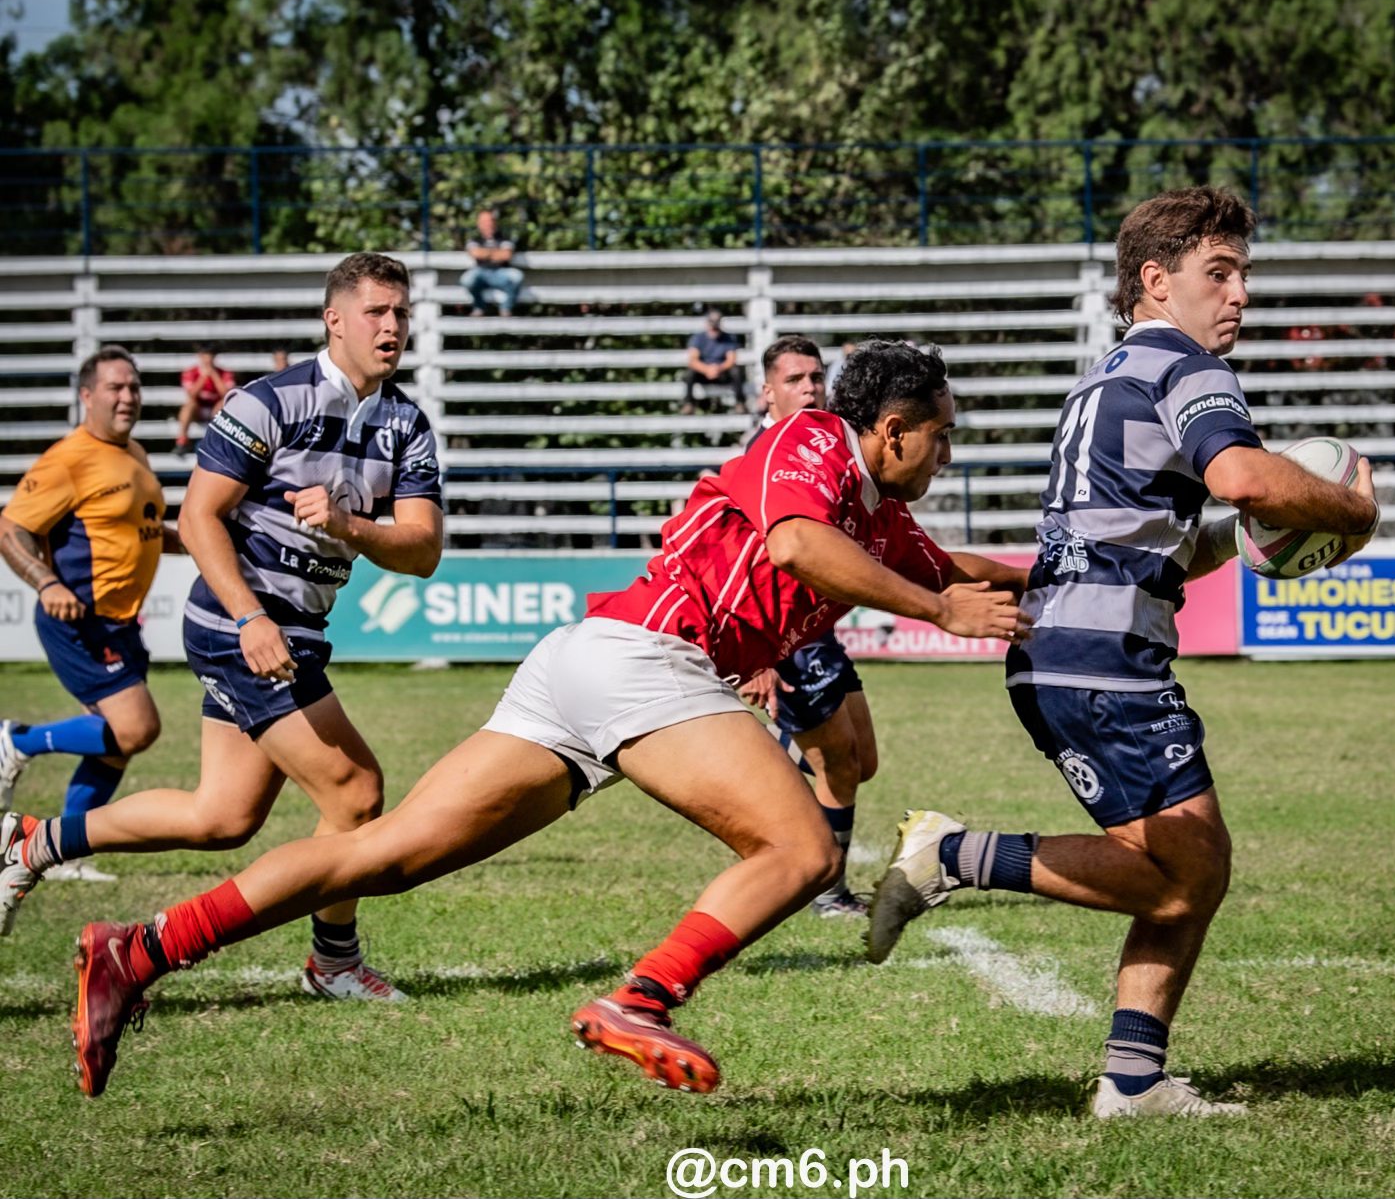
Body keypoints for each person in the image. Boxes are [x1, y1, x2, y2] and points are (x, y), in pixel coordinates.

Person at [57, 340, 1030, 1099]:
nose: (946, 455)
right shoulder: (811, 438)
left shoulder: (881, 515)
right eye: (940, 436)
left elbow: (962, 566)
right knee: (800, 848)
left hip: (592, 665)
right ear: (893, 428)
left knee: (385, 854)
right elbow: (794, 540)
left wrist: (1111, 568)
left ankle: (139, 947)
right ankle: (639, 999)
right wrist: (940, 610)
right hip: (647, 655)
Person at [863, 186, 1381, 1119]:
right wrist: (1350, 511)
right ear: (1155, 280)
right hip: (1102, 658)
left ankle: (1134, 1077)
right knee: (1189, 870)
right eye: (1217, 274)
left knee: (1182, 866)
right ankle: (955, 853)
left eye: (1243, 276)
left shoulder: (1109, 375)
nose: (1238, 296)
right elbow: (1239, 474)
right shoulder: (1185, 367)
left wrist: (1246, 536)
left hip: (1068, 646)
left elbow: (1168, 531)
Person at [0, 253, 445, 1007]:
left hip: (297, 625)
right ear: (333, 319)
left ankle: (34, 841)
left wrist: (347, 523)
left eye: (400, 313)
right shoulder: (266, 401)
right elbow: (198, 518)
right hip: (239, 623)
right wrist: (249, 617)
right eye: (375, 312)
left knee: (222, 816)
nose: (392, 327)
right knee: (357, 791)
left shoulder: (406, 423)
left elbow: (424, 549)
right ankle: (333, 961)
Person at [0, 347, 182, 885]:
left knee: (116, 748)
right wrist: (46, 581)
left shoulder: (135, 455)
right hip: (79, 618)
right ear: (87, 396)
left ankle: (62, 854)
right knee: (137, 727)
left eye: (134, 387)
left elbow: (142, 531)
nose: (127, 397)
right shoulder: (70, 457)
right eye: (115, 388)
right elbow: (11, 529)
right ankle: (17, 740)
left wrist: (196, 541)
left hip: (121, 623)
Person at [738, 335, 875, 918]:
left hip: (817, 631)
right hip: (783, 636)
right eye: (795, 380)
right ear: (767, 392)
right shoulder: (766, 454)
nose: (811, 388)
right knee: (839, 765)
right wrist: (759, 655)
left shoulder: (826, 445)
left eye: (816, 377)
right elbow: (751, 559)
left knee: (861, 760)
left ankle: (772, 776)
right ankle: (824, 889)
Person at [680, 307, 746, 414]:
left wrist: (718, 369)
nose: (714, 328)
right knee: (689, 373)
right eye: (712, 324)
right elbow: (692, 360)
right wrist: (707, 369)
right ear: (707, 323)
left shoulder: (729, 338)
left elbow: (731, 359)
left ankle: (740, 403)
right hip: (704, 373)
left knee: (736, 371)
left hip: (721, 372)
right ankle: (689, 403)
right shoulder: (698, 338)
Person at [174, 345, 236, 458]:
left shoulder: (224, 373)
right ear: (200, 356)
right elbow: (191, 395)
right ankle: (182, 441)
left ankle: (222, 443)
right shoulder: (190, 372)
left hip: (216, 410)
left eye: (210, 356)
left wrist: (214, 375)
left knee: (225, 403)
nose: (208, 359)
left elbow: (227, 395)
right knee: (189, 405)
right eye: (205, 355)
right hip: (198, 410)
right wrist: (203, 377)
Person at [461, 209, 524, 317]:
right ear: (479, 224)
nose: (488, 224)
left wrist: (485, 253)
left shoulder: (505, 238)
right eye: (484, 222)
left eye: (490, 221)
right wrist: (495, 253)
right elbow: (475, 253)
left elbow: (506, 255)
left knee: (517, 276)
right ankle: (479, 306)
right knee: (467, 279)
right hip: (481, 273)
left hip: (501, 272)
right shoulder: (474, 240)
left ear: (495, 223)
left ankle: (506, 308)